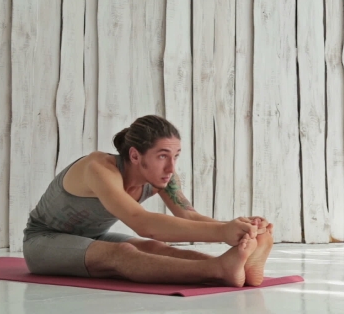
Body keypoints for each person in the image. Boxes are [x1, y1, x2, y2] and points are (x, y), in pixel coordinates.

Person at [22, 115, 274, 287]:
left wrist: (241, 230)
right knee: (123, 253)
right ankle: (218, 270)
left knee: (157, 249)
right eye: (162, 156)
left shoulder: (163, 177)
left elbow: (189, 217)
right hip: (42, 242)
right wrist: (222, 232)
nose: (171, 166)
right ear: (134, 155)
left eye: (175, 155)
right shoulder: (98, 168)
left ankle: (237, 267)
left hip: (91, 238)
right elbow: (144, 224)